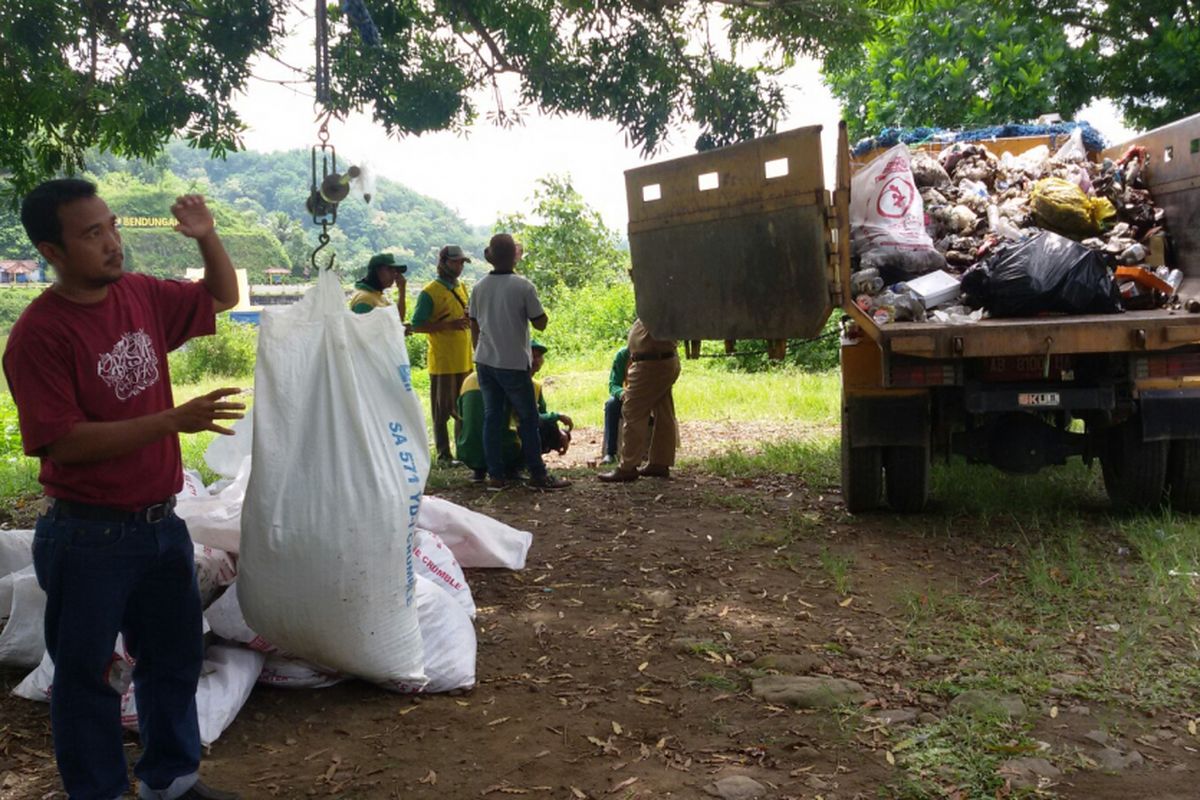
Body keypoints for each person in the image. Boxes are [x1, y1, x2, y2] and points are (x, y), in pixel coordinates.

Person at [3, 179, 245, 800]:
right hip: (88, 534)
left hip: (161, 525)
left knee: (172, 660)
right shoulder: (39, 334)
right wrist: (171, 421)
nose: (112, 243)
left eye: (111, 226)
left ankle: (171, 781)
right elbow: (62, 442)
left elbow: (222, 294)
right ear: (51, 251)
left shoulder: (137, 293)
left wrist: (206, 234)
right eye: (91, 234)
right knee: (87, 679)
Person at [468, 233, 570, 490]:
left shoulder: (479, 287)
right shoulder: (523, 286)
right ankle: (538, 474)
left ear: (490, 256)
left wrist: (478, 350)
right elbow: (541, 323)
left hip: (485, 361)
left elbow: (473, 322)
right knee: (528, 418)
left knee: (492, 418)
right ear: (515, 256)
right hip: (513, 362)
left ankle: (496, 476)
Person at [457, 341, 574, 481]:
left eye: (538, 356)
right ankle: (516, 469)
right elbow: (533, 419)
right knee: (546, 426)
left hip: (466, 451)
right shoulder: (517, 383)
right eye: (531, 356)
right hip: (503, 451)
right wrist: (557, 418)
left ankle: (480, 471)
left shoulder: (470, 379)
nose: (535, 361)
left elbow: (460, 416)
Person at [410, 245, 473, 464]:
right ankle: (444, 455)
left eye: (462, 262)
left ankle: (464, 451)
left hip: (464, 357)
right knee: (442, 411)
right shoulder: (430, 292)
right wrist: (447, 325)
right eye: (456, 262)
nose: (459, 266)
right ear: (443, 262)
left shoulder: (462, 287)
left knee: (464, 407)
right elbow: (417, 325)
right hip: (443, 361)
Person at [599, 318, 680, 482]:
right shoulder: (656, 305)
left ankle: (627, 467)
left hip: (651, 363)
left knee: (633, 410)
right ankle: (659, 463)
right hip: (659, 360)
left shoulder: (660, 301)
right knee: (663, 411)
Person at [348, 252, 407, 319]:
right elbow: (362, 329)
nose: (394, 275)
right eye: (390, 270)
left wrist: (402, 289)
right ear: (377, 271)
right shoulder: (364, 300)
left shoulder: (378, 296)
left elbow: (398, 320)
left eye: (395, 271)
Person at [601, 344, 630, 465]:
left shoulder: (654, 354)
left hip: (647, 395)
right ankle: (610, 452)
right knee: (611, 404)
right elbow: (613, 385)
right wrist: (622, 393)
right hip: (628, 395)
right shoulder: (623, 355)